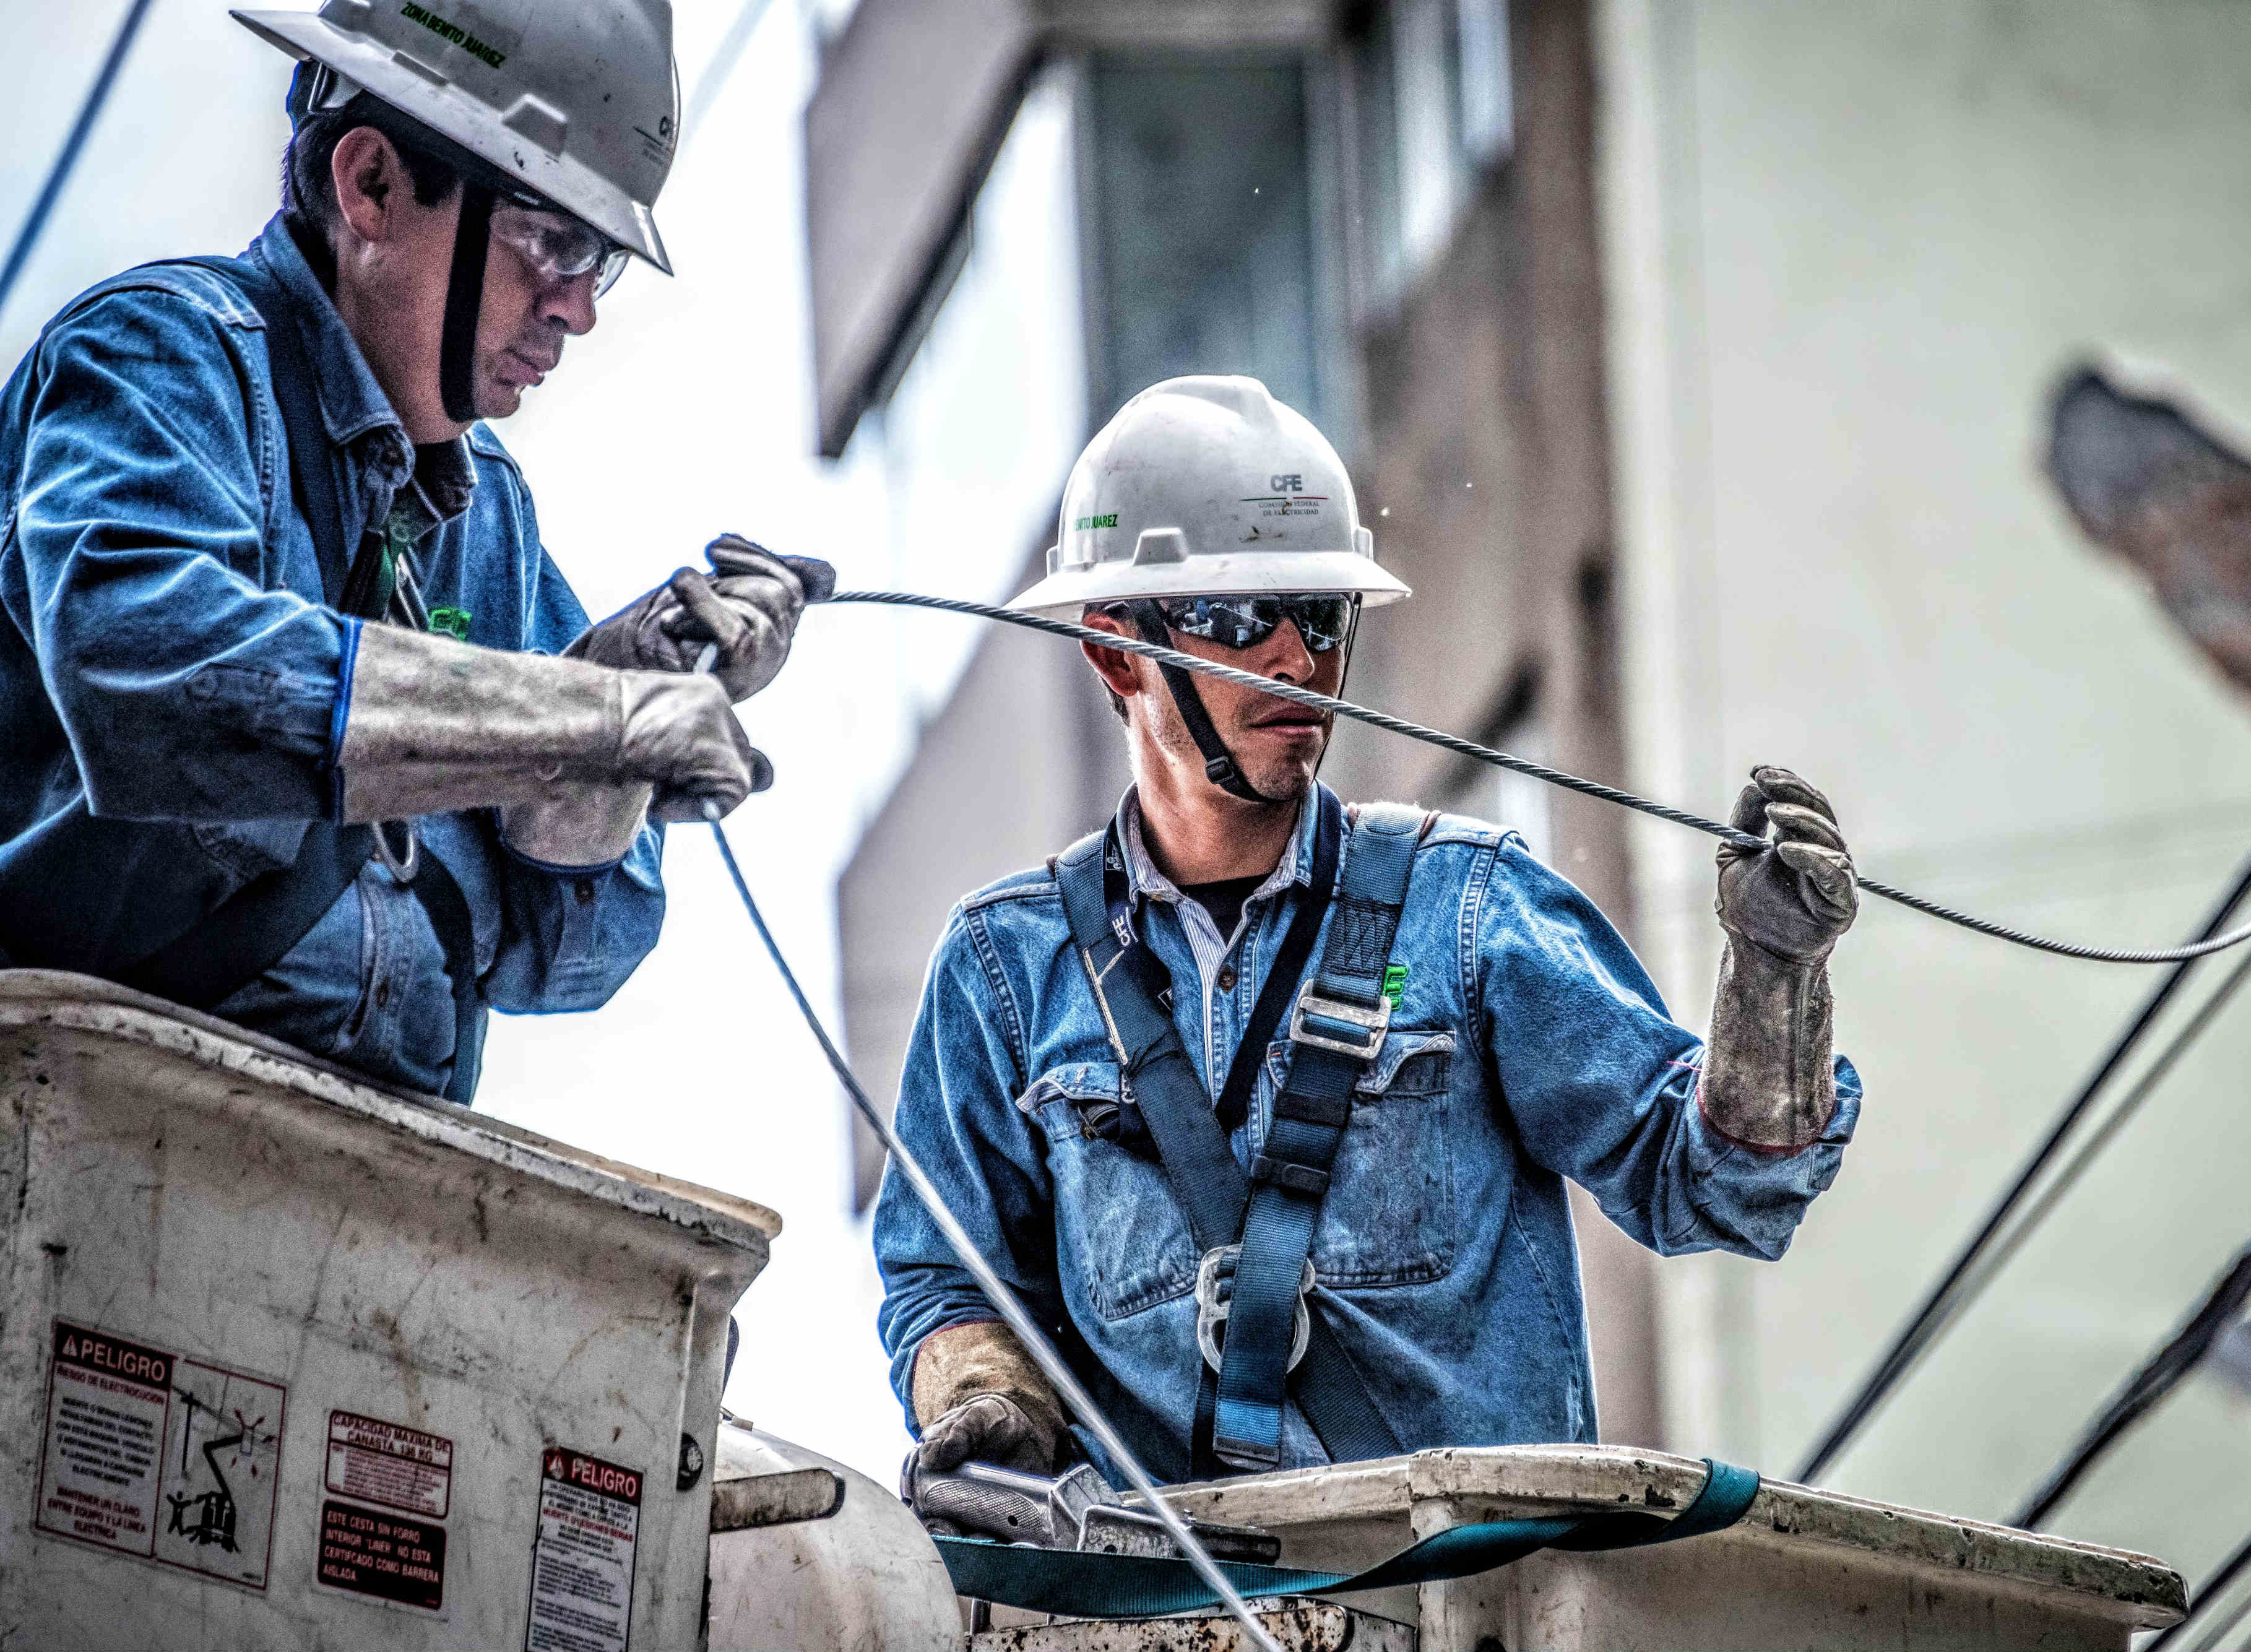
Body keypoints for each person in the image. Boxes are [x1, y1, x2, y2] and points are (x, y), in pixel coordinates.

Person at [875, 374, 1864, 1485]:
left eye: (1323, 614)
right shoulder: (1007, 975)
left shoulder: (1469, 914)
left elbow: (1708, 1184)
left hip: (1471, 1604)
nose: (1299, 659)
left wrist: (1777, 979)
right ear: (1116, 650)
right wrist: (988, 1394)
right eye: (1244, 617)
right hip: (1179, 1611)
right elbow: (940, 1277)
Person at [0, 1, 825, 1104]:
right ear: (373, 185)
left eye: (602, 263)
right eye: (557, 242)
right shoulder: (157, 359)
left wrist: (615, 709)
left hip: (376, 1189)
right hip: (81, 1128)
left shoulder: (489, 527)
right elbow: (156, 672)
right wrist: (579, 721)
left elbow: (567, 954)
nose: (577, 309)